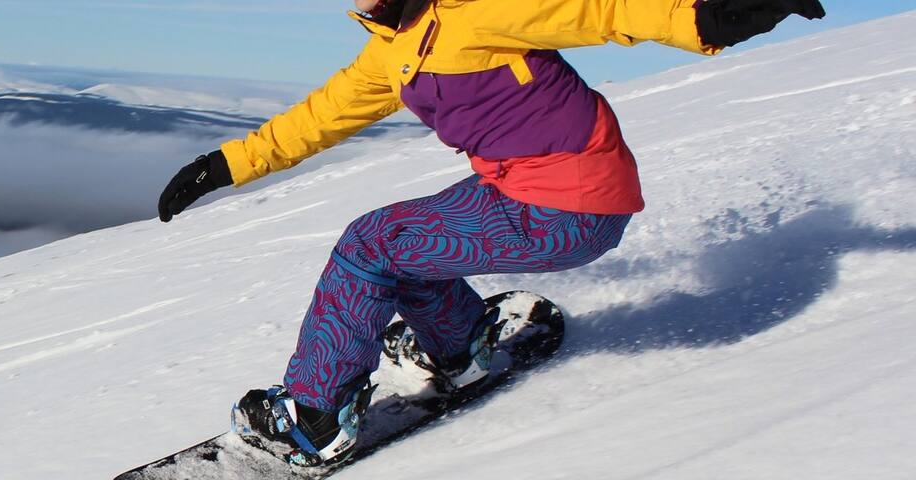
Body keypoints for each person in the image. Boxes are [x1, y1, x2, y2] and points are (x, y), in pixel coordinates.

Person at [155, 0, 825, 467]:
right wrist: (224, 165)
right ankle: (458, 347)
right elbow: (320, 117)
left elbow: (600, 8)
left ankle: (314, 419)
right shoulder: (394, 49)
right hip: (531, 189)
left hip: (564, 203)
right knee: (406, 243)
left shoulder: (476, 9)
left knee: (369, 246)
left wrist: (708, 13)